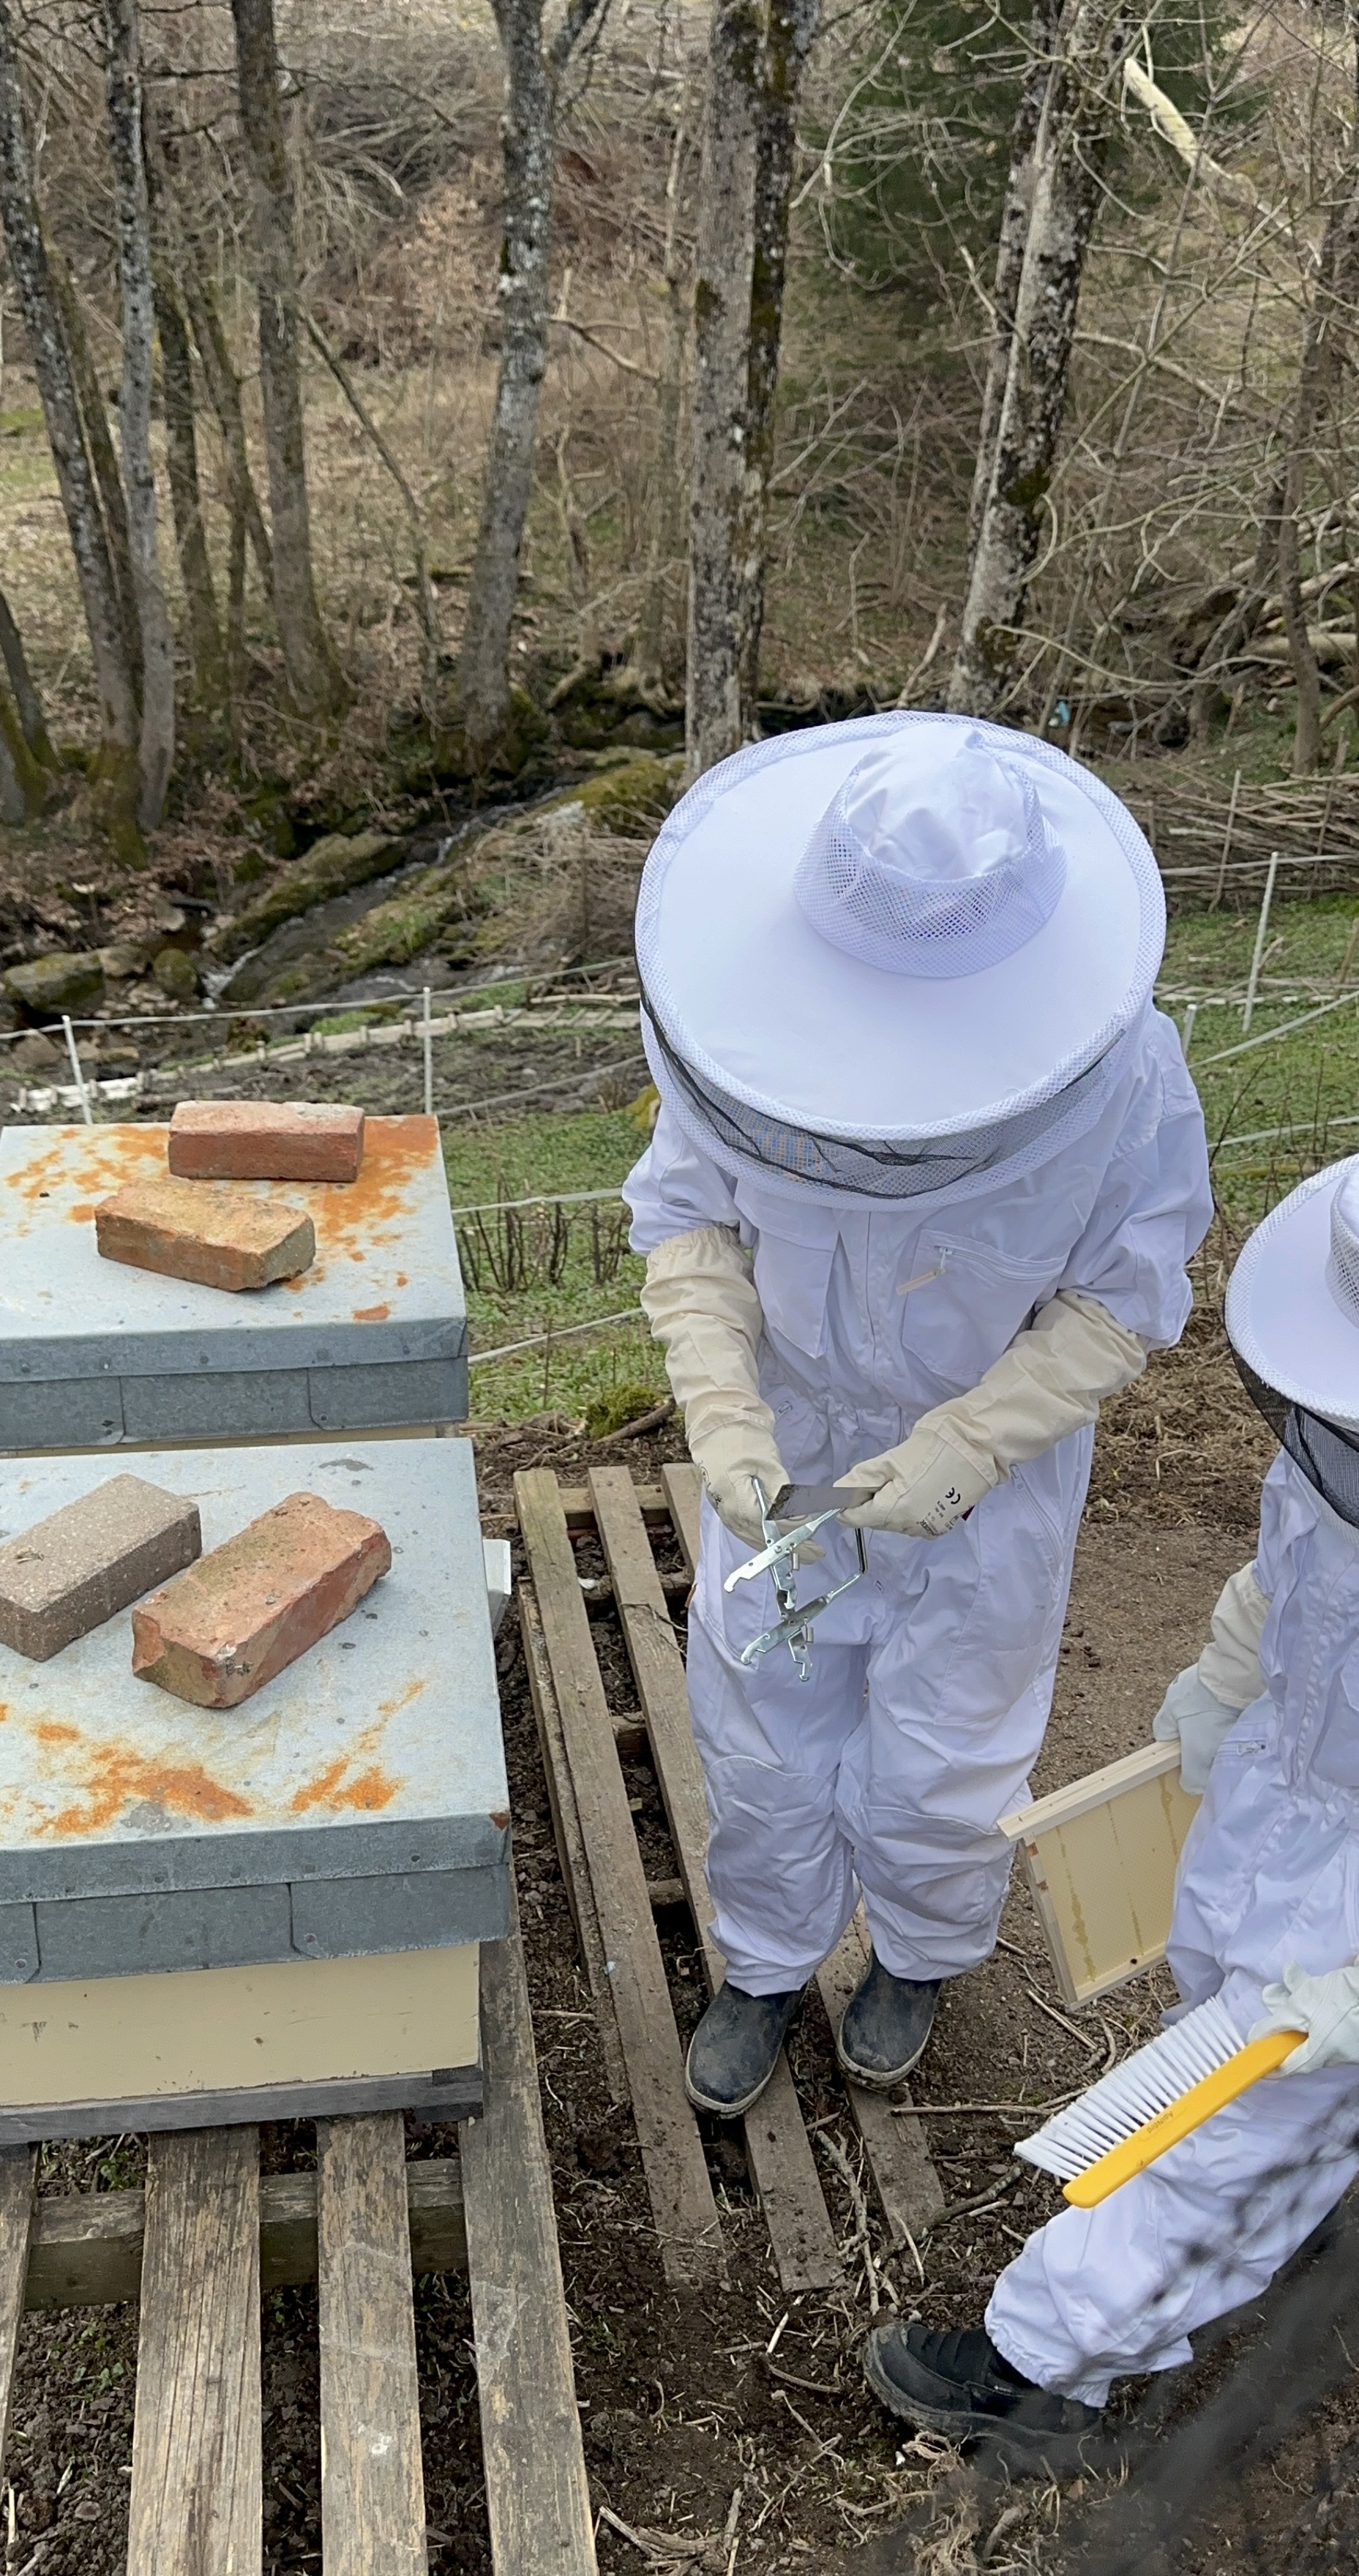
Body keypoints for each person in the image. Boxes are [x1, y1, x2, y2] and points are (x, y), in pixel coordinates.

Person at [624, 713, 1213, 2117]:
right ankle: (765, 1965)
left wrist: (966, 1445)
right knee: (762, 1726)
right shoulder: (743, 1040)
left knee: (950, 1743)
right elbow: (692, 1228)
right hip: (791, 1438)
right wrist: (723, 1414)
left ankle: (921, 1953)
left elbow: (1122, 1300)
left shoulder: (1124, 1081)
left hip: (988, 1467)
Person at [866, 1156, 1359, 2474]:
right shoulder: (1334, 1440)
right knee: (1220, 2012)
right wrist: (1221, 1686)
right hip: (1288, 1790)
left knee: (1236, 2120)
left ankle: (1040, 2374)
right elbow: (1290, 1566)